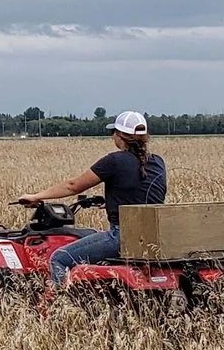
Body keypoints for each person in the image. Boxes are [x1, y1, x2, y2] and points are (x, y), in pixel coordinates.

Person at [16, 111, 165, 284]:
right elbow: (148, 194)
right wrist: (112, 202)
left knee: (59, 258)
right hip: (153, 237)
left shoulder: (114, 161)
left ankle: (61, 304)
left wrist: (35, 196)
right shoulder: (158, 161)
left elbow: (73, 186)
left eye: (113, 133)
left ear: (120, 136)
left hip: (122, 237)